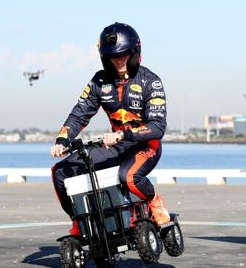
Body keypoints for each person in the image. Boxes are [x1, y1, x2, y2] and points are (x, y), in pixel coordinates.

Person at [50, 22, 170, 236]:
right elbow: (80, 113)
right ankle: (80, 221)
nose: (119, 60)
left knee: (129, 177)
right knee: (60, 173)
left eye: (124, 54)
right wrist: (62, 139)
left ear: (134, 52)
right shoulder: (100, 81)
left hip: (145, 146)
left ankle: (153, 202)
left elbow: (157, 127)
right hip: (114, 147)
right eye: (113, 56)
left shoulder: (151, 81)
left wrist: (123, 135)